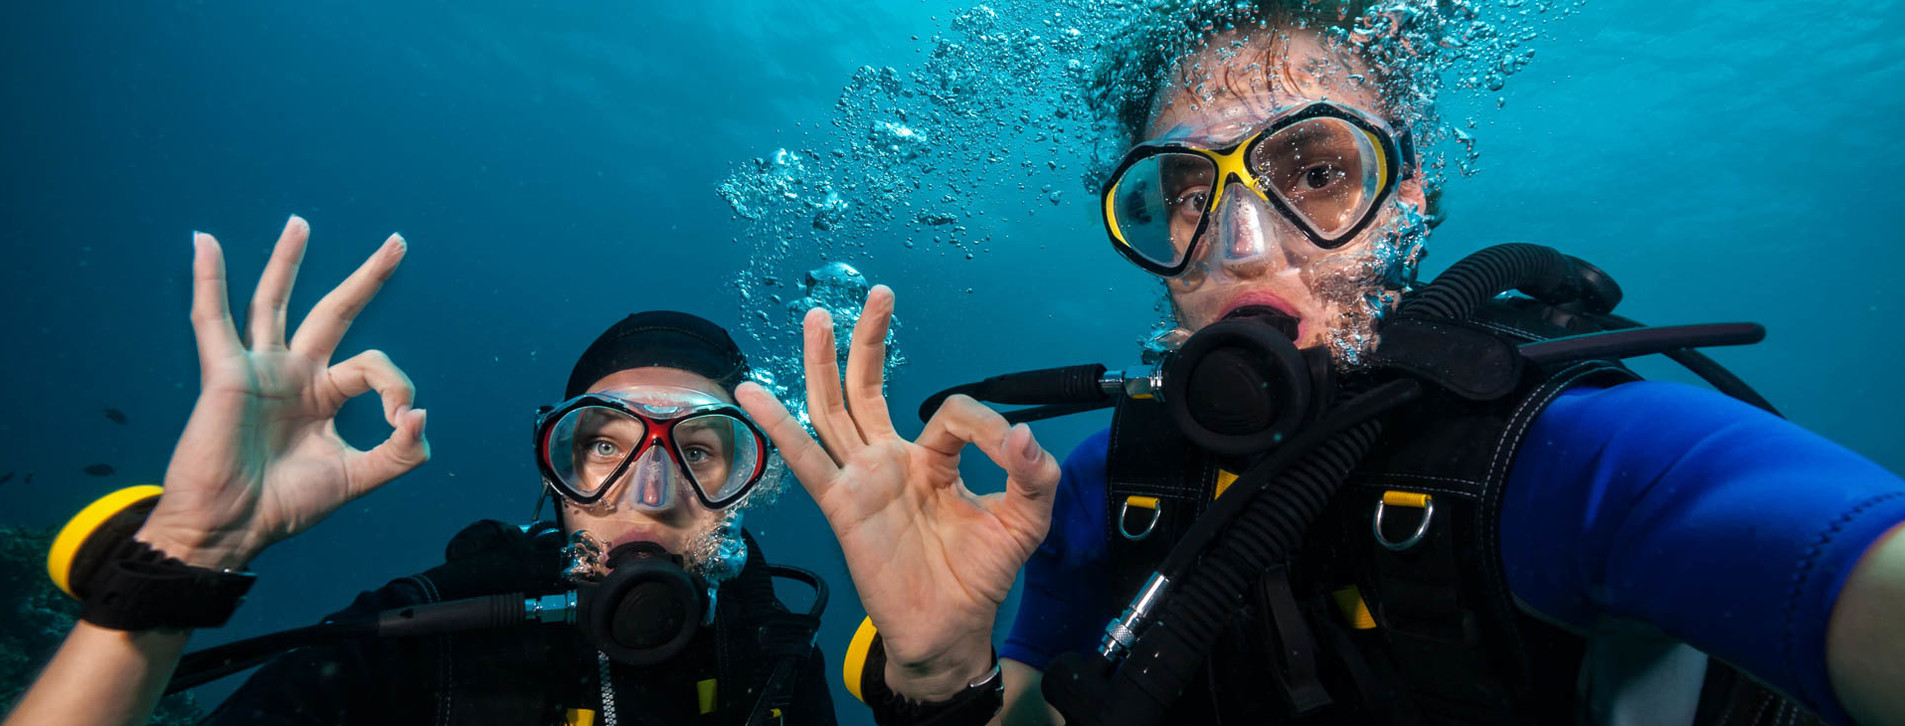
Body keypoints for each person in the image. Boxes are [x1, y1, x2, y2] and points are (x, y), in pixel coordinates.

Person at [726, 2, 1905, 725]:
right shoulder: (1100, 493)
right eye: (1186, 194)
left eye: (1319, 174)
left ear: (1410, 200)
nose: (1243, 251)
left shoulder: (1552, 452)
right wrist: (941, 672)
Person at [5, 216, 835, 725]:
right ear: (556, 471)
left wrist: (941, 677)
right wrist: (190, 549)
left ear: (748, 487)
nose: (646, 496)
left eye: (696, 453)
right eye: (605, 445)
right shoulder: (426, 634)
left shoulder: (770, 651)